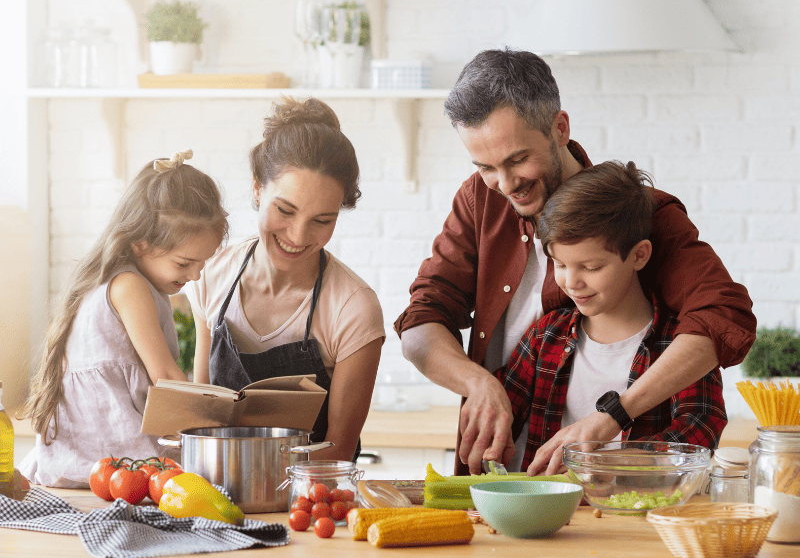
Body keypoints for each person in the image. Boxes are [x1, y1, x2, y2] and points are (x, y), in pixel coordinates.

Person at [394, 48, 756, 476]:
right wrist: (478, 383)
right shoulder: (480, 199)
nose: (505, 184)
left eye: (517, 160)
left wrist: (613, 420)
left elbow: (723, 315)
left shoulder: (640, 214)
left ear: (559, 128)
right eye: (485, 167)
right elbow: (420, 323)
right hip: (511, 480)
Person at [186, 97, 384, 463]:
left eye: (322, 221)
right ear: (258, 188)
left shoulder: (353, 307)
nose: (297, 235)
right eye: (285, 210)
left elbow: (338, 451)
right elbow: (202, 419)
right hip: (217, 495)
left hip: (310, 503)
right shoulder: (209, 276)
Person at [500, 160, 727, 474]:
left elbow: (698, 433)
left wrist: (603, 465)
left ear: (639, 255)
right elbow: (503, 414)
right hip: (548, 517)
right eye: (560, 264)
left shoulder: (681, 346)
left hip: (638, 517)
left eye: (591, 268)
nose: (571, 282)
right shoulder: (544, 336)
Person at [19, 150, 228, 487]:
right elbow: (164, 375)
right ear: (140, 245)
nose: (195, 274)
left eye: (202, 264)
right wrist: (210, 427)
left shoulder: (125, 279)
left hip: (89, 455)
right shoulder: (130, 286)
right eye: (184, 263)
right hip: (111, 454)